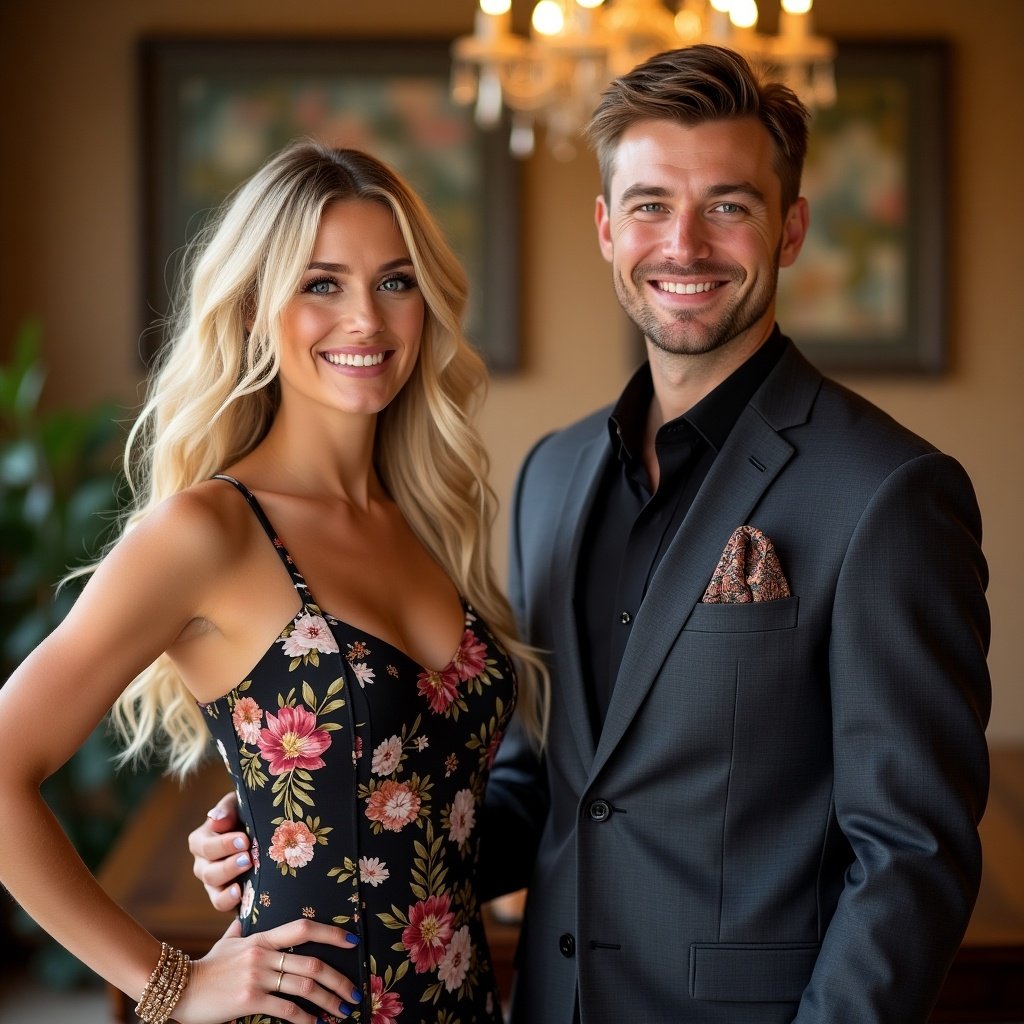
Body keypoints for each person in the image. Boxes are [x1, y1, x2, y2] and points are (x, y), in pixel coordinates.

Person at [187, 46, 992, 1024]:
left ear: (790, 230)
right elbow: (538, 784)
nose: (684, 245)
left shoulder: (888, 491)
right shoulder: (552, 474)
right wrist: (311, 829)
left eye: (728, 206)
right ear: (607, 230)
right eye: (650, 205)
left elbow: (911, 851)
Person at [0, 140, 546, 1024]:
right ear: (255, 311)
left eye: (396, 282)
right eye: (321, 283)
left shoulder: (429, 523)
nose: (366, 319)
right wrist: (170, 985)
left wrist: (303, 817)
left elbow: (432, 788)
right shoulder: (206, 532)